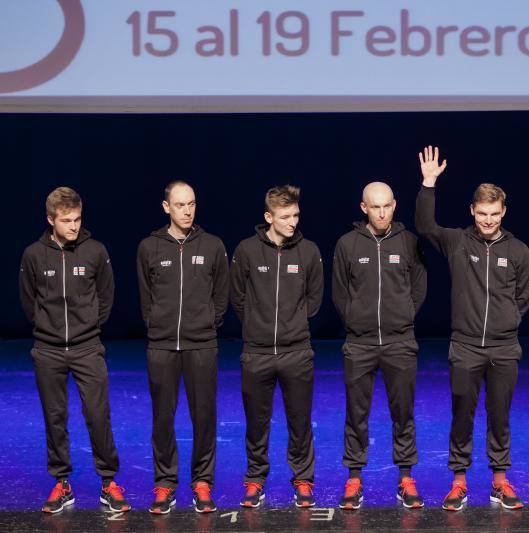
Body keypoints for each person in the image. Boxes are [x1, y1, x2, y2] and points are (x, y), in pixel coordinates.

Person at [415, 146, 529, 511]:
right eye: (482, 213)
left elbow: (525, 297)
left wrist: (506, 323)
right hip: (465, 347)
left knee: (500, 417)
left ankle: (499, 481)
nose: (487, 220)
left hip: (503, 349)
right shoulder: (457, 242)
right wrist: (428, 184)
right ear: (472, 211)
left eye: (494, 214)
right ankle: (459, 481)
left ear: (504, 212)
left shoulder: (517, 250)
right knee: (462, 416)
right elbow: (424, 226)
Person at [20, 187, 130, 514]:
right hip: (48, 350)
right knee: (55, 418)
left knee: (98, 416)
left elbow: (107, 295)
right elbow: (29, 302)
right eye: (66, 220)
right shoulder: (33, 255)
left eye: (78, 219)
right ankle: (62, 482)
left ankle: (108, 482)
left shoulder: (95, 251)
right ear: (50, 219)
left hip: (87, 348)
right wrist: (46, 327)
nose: (74, 226)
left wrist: (89, 327)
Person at [332, 182, 427, 510]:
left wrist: (404, 316)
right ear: (364, 208)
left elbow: (418, 287)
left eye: (387, 206)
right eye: (376, 207)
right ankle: (354, 477)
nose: (383, 213)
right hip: (360, 345)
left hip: (400, 343)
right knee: (356, 415)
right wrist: (356, 321)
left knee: (403, 413)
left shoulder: (409, 242)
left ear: (395, 204)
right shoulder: (347, 244)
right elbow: (340, 293)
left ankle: (405, 477)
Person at [137, 180, 229, 514]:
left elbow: (222, 295)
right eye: (180, 205)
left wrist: (207, 323)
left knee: (204, 416)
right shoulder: (149, 247)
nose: (187, 211)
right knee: (163, 418)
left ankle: (202, 482)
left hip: (201, 346)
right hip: (161, 347)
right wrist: (157, 325)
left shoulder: (213, 245)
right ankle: (164, 484)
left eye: (191, 204)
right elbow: (146, 298)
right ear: (166, 208)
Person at [230, 185, 323, 509]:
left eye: (296, 215)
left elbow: (313, 301)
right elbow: (238, 297)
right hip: (256, 353)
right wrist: (257, 326)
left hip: (297, 352)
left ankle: (303, 479)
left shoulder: (309, 251)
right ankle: (255, 480)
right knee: (256, 424)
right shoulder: (246, 251)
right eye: (285, 216)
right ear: (268, 216)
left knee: (300, 422)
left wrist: (291, 326)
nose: (292, 221)